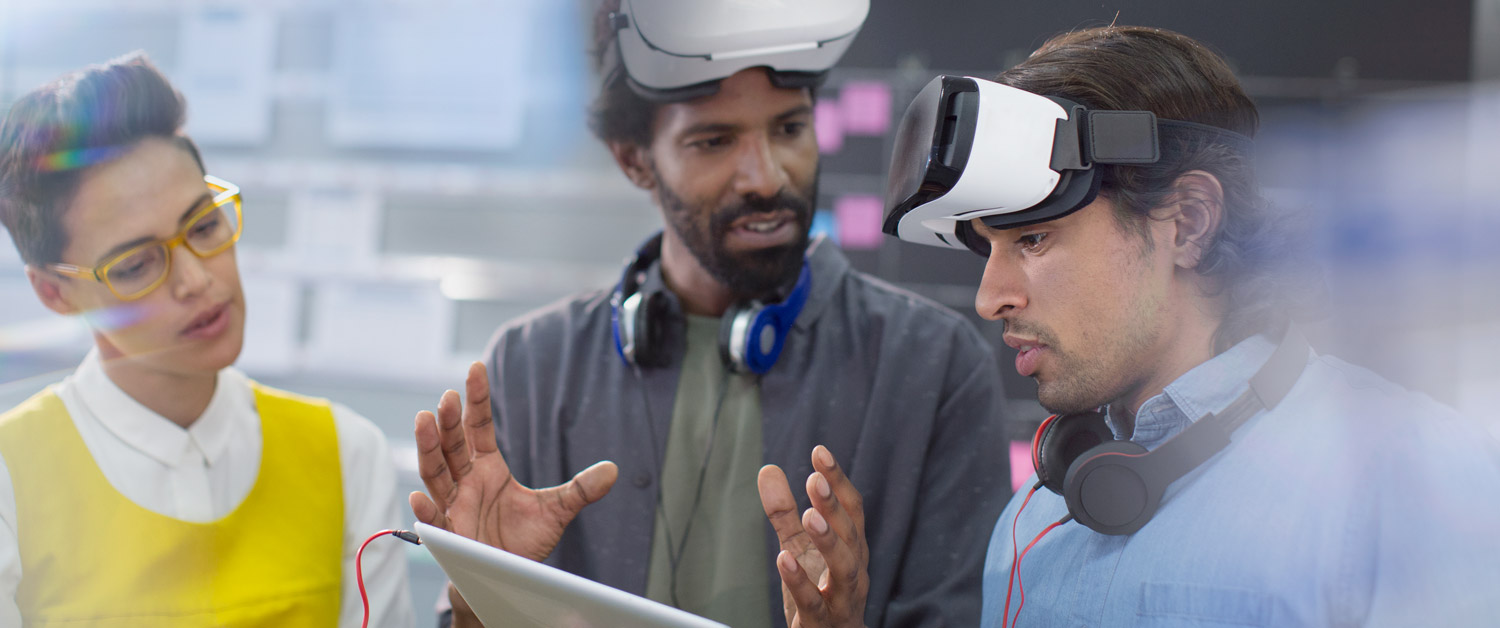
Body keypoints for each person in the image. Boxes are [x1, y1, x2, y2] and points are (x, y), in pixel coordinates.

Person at [761, 25, 1500, 627]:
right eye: (988, 247)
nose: (989, 298)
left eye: (1034, 240)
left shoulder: (1416, 485)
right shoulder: (1031, 526)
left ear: (1188, 223)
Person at [409, 1, 1011, 626]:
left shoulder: (933, 364)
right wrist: (481, 593)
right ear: (634, 159)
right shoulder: (533, 364)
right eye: (715, 140)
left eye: (788, 129)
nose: (766, 176)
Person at [0, 54, 414, 627]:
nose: (197, 279)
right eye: (138, 264)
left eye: (203, 226)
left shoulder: (346, 454)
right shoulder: (10, 477)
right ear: (54, 293)